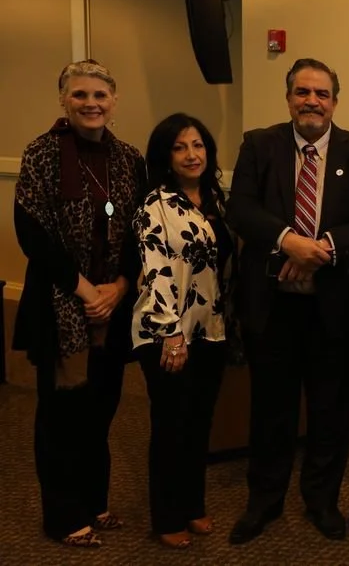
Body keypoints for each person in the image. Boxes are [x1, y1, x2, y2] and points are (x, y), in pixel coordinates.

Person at [226, 58, 349, 544]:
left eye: (321, 93)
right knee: (272, 409)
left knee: (330, 410)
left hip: (334, 309)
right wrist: (285, 240)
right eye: (303, 92)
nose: (312, 101)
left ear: (335, 102)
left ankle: (321, 500)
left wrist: (321, 248)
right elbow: (241, 208)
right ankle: (265, 501)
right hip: (273, 306)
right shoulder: (261, 144)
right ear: (289, 98)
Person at [13, 59, 145, 547]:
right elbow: (33, 234)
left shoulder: (130, 158)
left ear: (114, 101)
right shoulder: (41, 153)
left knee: (102, 408)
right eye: (80, 95)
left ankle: (95, 501)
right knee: (61, 416)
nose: (91, 104)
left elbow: (139, 231)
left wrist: (121, 286)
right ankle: (63, 517)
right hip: (61, 305)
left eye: (100, 95)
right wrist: (87, 290)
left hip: (114, 307)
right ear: (63, 101)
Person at [132, 113, 233, 549]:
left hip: (209, 329)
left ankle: (192, 504)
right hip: (167, 333)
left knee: (198, 422)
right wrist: (171, 334)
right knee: (171, 424)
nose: (191, 155)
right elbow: (154, 274)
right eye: (179, 147)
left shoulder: (214, 197)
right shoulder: (155, 206)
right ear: (165, 156)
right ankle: (167, 515)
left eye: (198, 145)